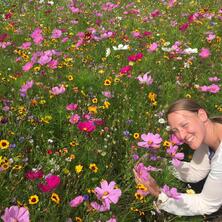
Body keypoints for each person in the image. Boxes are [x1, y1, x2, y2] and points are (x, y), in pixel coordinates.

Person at [134, 98, 222, 216]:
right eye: (175, 130)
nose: (181, 135)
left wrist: (159, 193)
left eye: (184, 125)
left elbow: (206, 204)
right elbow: (195, 172)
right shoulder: (209, 136)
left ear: (202, 115)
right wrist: (159, 163)